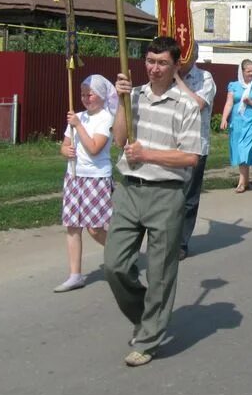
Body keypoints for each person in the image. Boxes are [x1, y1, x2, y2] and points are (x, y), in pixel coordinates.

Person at [104, 36, 201, 367]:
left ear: (175, 67)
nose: (154, 68)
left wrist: (148, 154)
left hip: (165, 194)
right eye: (149, 61)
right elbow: (119, 140)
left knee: (160, 272)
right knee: (114, 264)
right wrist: (120, 102)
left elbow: (190, 157)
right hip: (130, 190)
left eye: (161, 63)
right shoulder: (133, 96)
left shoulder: (185, 106)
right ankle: (148, 314)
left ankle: (147, 339)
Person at [54, 74, 117, 293]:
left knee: (95, 228)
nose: (85, 98)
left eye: (89, 94)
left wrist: (78, 125)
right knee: (72, 227)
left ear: (100, 95)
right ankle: (75, 275)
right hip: (74, 176)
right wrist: (66, 151)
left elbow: (94, 148)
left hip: (96, 177)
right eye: (82, 94)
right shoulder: (77, 116)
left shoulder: (106, 118)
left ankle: (121, 253)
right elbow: (64, 145)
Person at [175, 43, 216, 261]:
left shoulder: (205, 78)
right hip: (171, 145)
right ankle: (166, 238)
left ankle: (181, 243)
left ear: (195, 56)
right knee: (170, 194)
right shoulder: (168, 78)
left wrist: (178, 80)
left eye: (185, 56)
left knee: (188, 197)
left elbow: (197, 104)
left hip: (195, 146)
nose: (181, 60)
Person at [220, 59, 252, 193]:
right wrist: (224, 118)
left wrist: (251, 102)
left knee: (244, 149)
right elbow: (229, 103)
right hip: (237, 122)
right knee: (238, 149)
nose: (251, 73)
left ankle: (241, 183)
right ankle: (245, 181)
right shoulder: (233, 86)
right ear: (242, 72)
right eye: (248, 71)